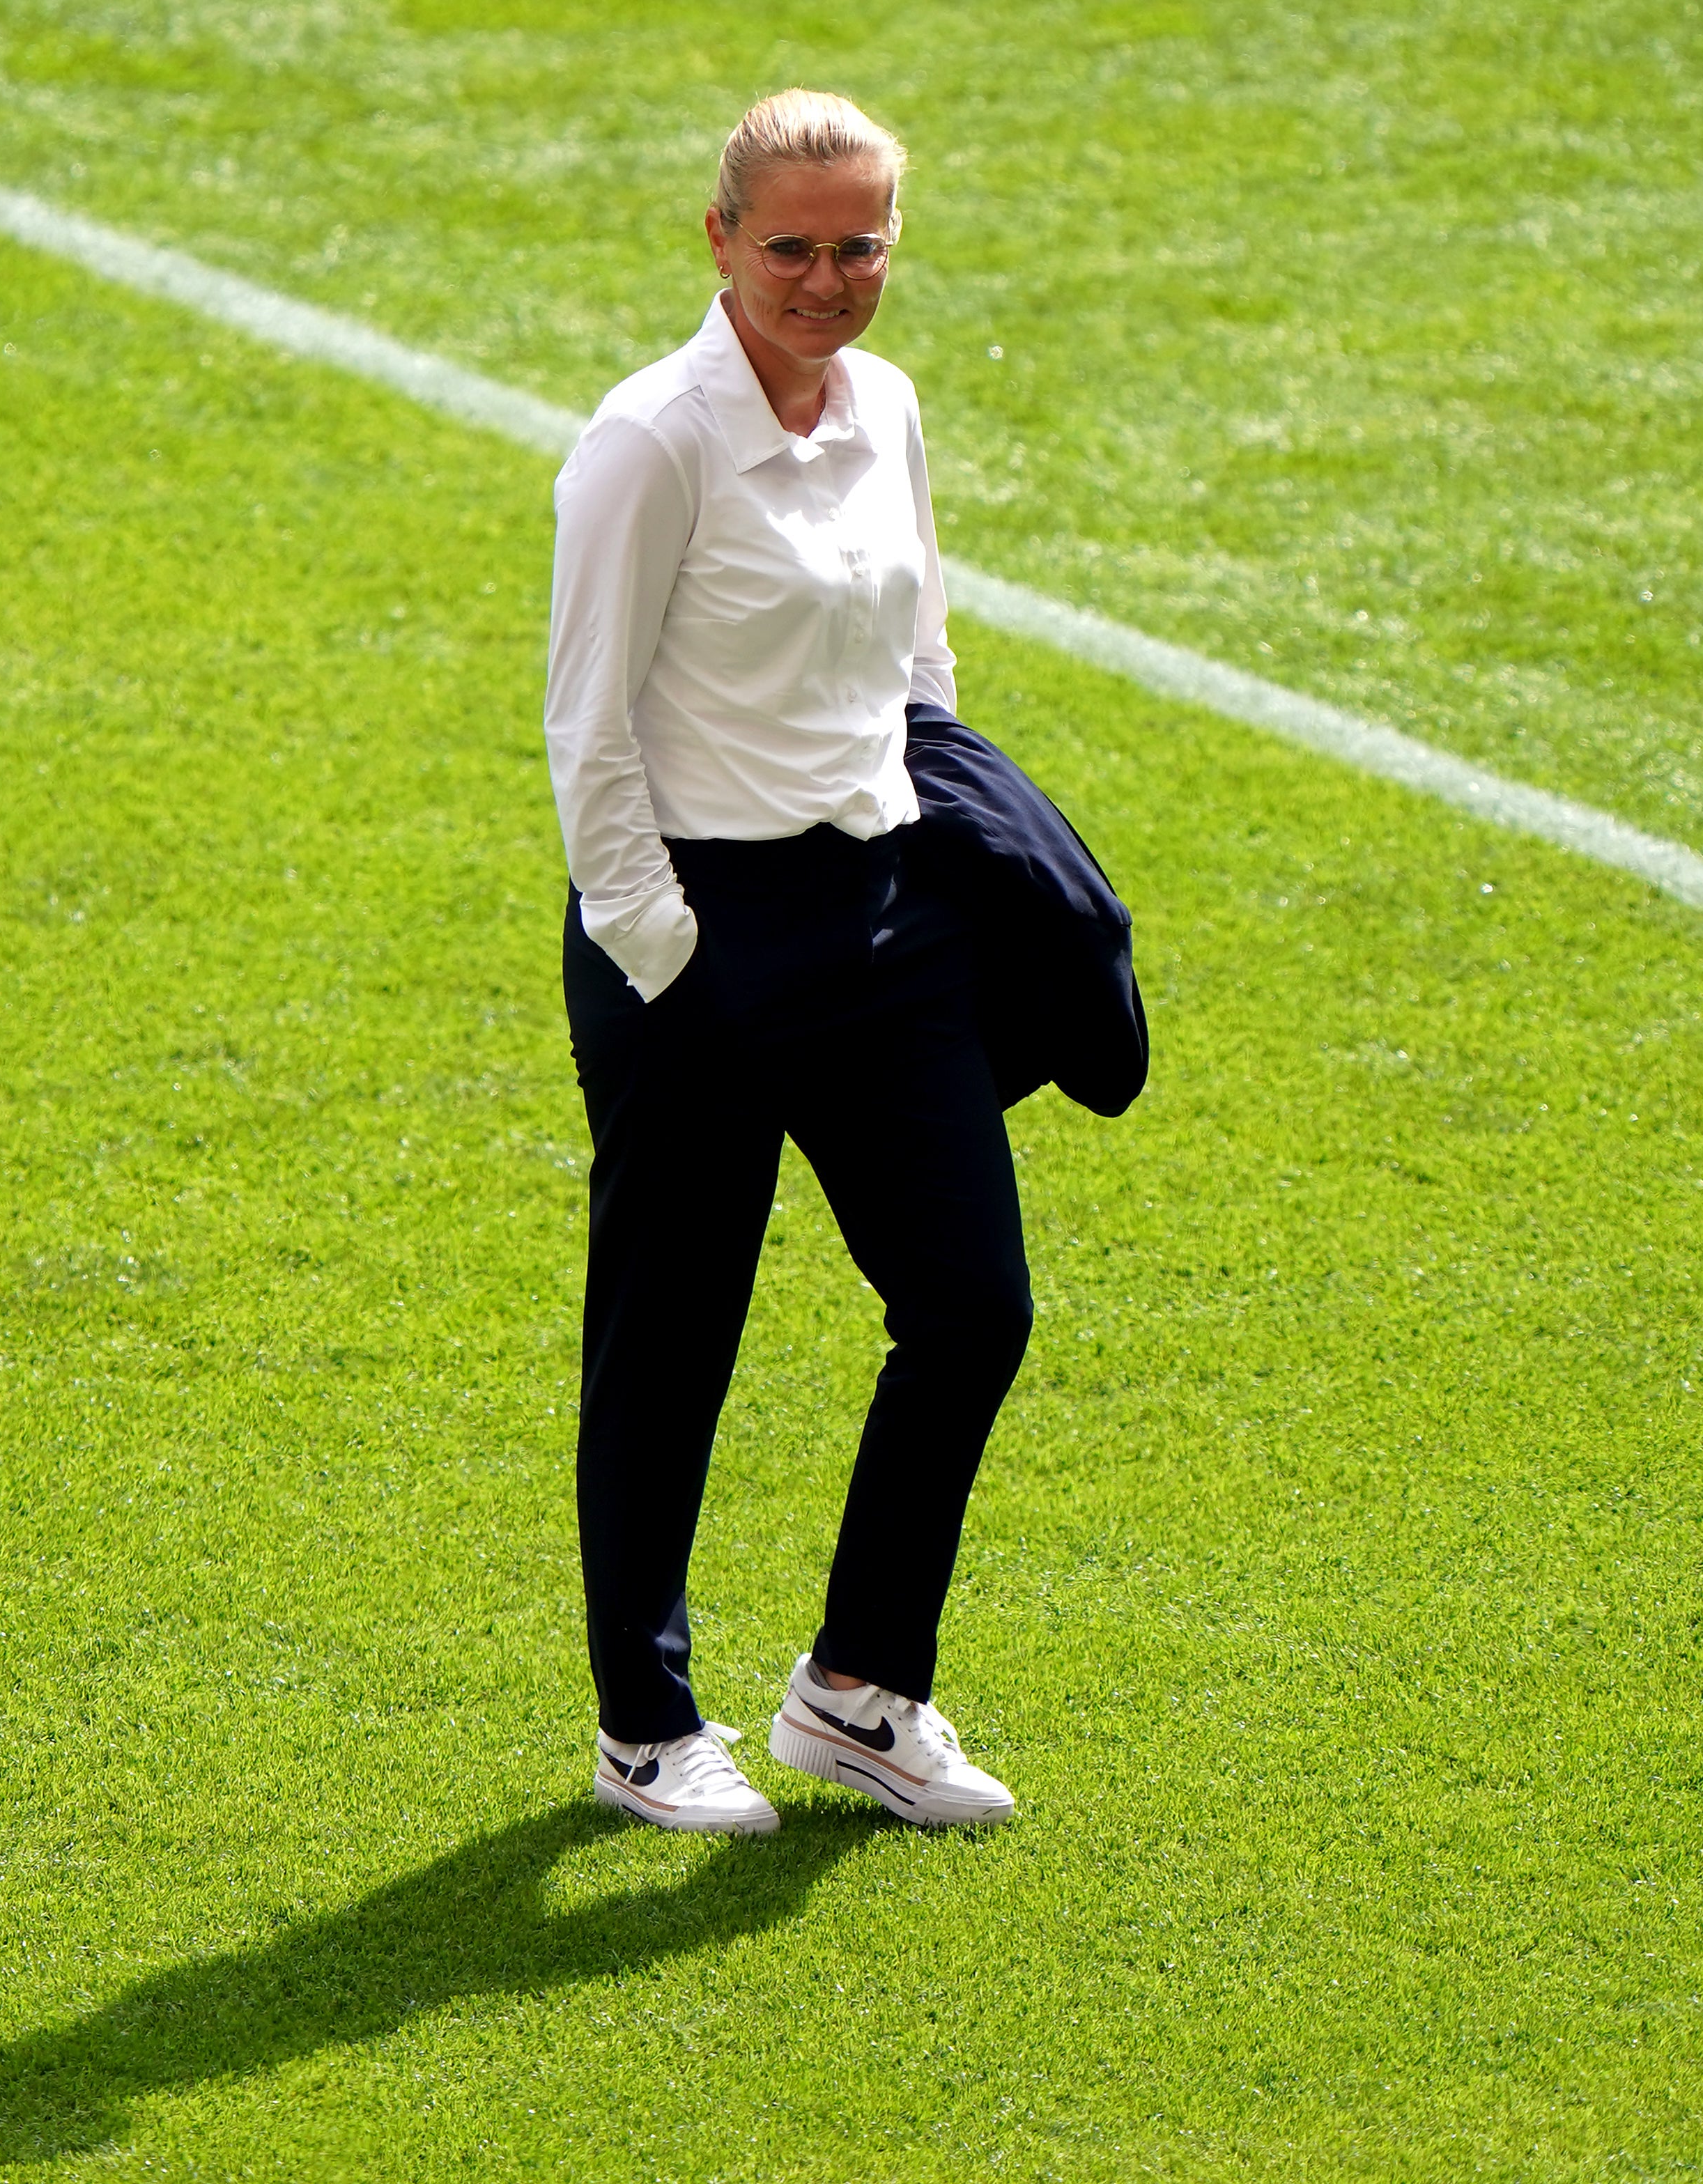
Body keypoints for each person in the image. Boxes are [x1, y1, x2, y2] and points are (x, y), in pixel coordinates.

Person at [544, 88, 1025, 1835]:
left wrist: (944, 847)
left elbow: (920, 648)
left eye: (861, 245)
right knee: (673, 1341)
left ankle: (856, 1691)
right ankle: (641, 1725)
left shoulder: (884, 403)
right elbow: (585, 730)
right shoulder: (648, 442)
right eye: (792, 246)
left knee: (972, 1304)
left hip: (879, 923)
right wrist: (668, 952)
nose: (827, 278)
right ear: (719, 242)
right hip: (700, 941)